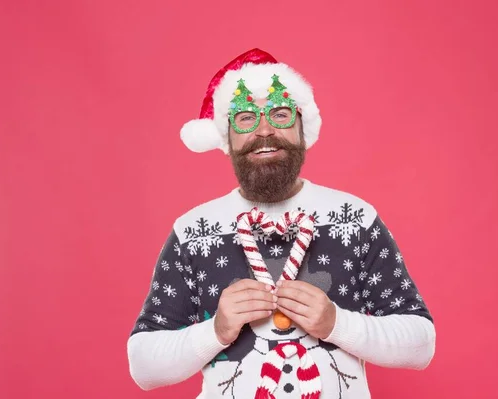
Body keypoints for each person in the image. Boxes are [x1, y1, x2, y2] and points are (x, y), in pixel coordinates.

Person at [127, 48, 436, 399]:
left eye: (280, 113)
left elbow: (420, 344)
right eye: (245, 117)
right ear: (227, 137)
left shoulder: (355, 219)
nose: (264, 130)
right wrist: (216, 330)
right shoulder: (194, 231)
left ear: (303, 128)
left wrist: (337, 323)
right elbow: (143, 366)